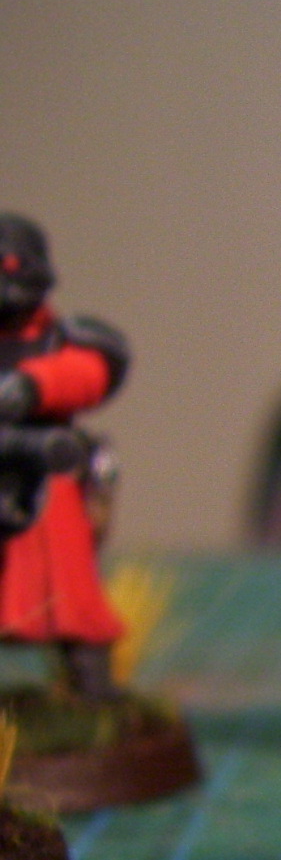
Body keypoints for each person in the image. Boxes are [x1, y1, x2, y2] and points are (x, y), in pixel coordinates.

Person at [0, 216, 131, 700]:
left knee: (69, 593)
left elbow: (91, 373)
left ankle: (91, 688)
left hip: (46, 479)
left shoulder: (63, 338)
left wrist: (35, 386)